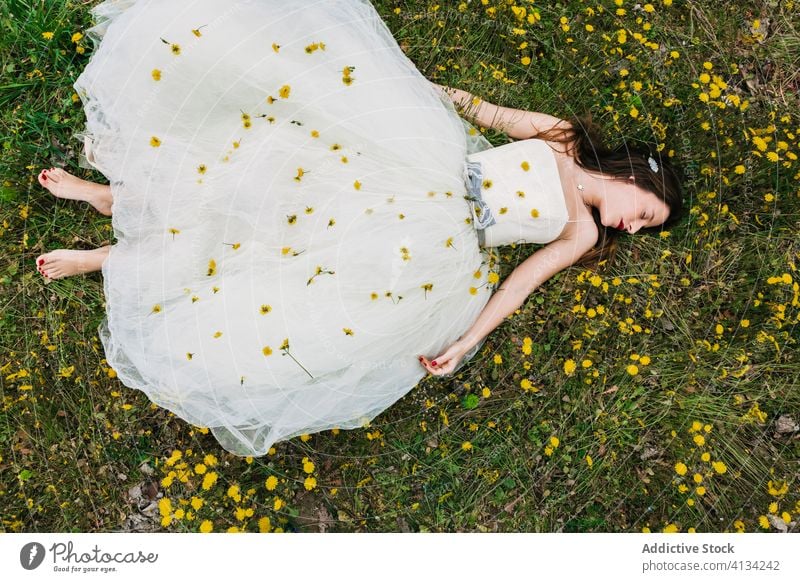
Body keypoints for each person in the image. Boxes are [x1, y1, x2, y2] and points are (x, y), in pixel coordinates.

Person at [35, 0, 683, 457]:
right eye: (645, 214)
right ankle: (111, 197)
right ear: (637, 181)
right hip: (416, 167)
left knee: (274, 252)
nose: (633, 225)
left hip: (426, 249)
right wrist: (403, 85)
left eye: (643, 229)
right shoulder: (561, 136)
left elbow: (517, 287)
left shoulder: (584, 237)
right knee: (258, 175)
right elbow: (484, 110)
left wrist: (465, 343)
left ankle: (108, 258)